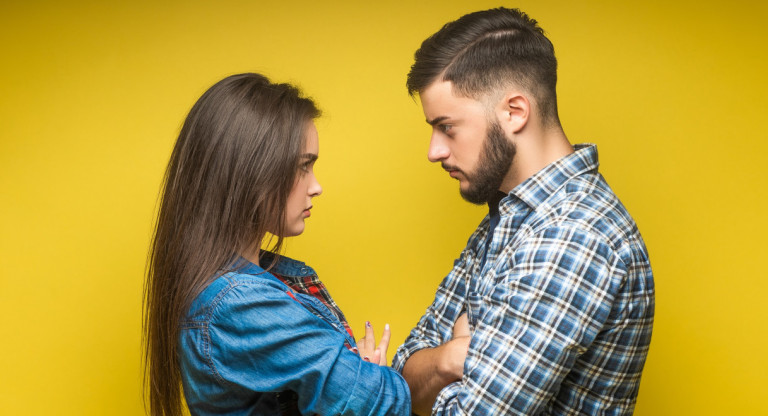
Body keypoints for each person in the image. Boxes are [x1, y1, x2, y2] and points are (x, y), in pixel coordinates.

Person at [392, 8, 655, 415]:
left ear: (514, 112)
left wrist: (447, 355)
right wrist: (447, 360)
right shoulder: (511, 215)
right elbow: (397, 379)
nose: (434, 151)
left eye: (447, 127)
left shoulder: (572, 236)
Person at [143, 73, 410, 416]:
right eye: (303, 167)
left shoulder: (261, 283)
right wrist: (371, 379)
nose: (316, 186)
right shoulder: (237, 304)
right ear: (249, 172)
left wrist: (361, 379)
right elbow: (383, 402)